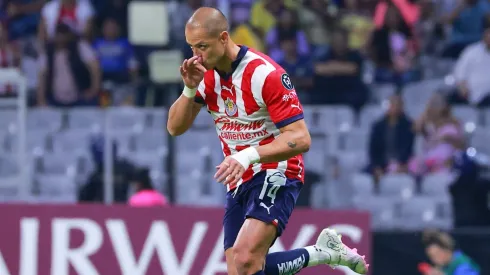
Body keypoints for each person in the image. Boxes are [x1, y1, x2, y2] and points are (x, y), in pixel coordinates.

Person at [167, 7, 368, 275]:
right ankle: (321, 253)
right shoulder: (205, 75)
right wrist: (190, 88)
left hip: (277, 170)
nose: (196, 55)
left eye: (202, 46)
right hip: (238, 178)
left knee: (246, 259)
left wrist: (248, 155)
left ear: (224, 38)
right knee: (242, 269)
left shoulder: (264, 74)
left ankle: (320, 253)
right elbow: (175, 128)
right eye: (192, 47)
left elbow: (300, 138)